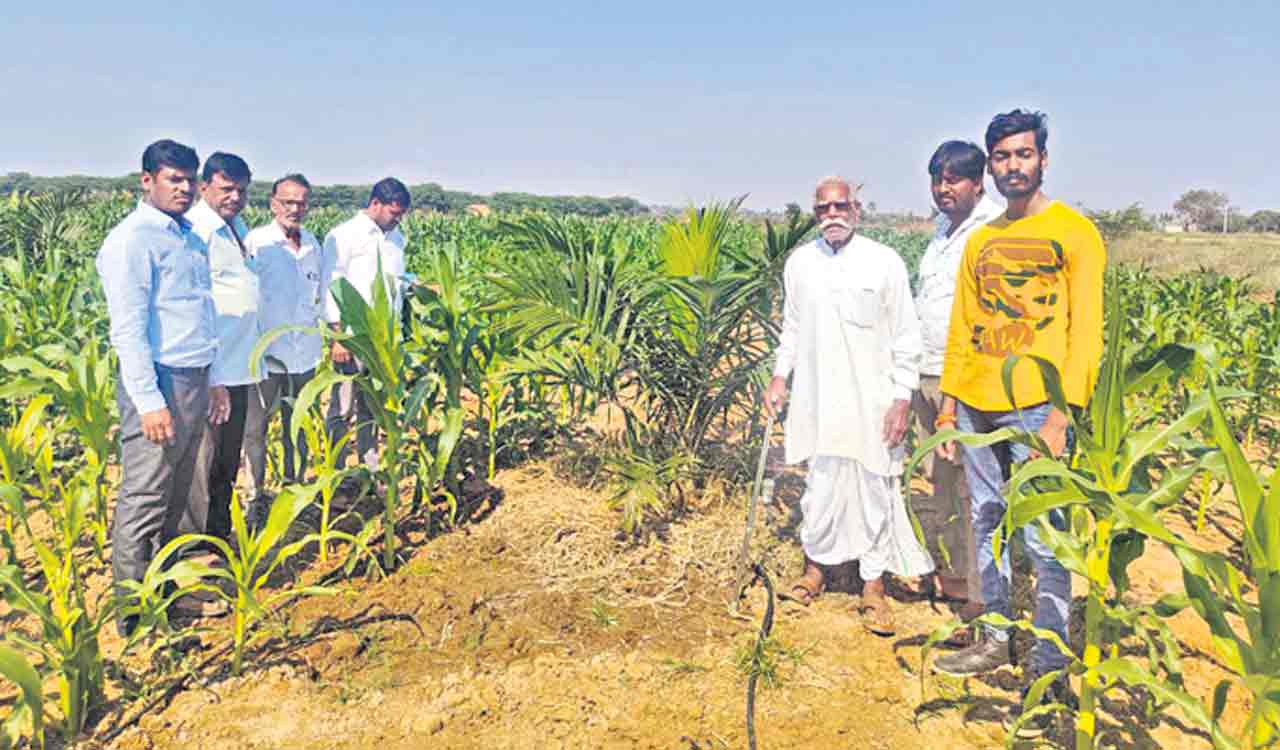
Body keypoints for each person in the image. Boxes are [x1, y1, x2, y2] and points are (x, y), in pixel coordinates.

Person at [931, 110, 1105, 722]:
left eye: (1023, 155)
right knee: (985, 518)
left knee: (1044, 533)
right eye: (1002, 157)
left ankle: (1049, 667)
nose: (1012, 166)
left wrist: (1063, 414)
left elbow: (1086, 333)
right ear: (992, 164)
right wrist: (950, 402)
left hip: (1038, 407)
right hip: (978, 401)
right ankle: (995, 638)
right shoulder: (980, 240)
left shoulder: (1075, 233)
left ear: (1043, 160)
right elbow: (962, 328)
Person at [766, 176, 933, 636]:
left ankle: (873, 588)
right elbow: (793, 330)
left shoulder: (884, 262)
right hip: (819, 401)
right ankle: (815, 572)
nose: (833, 215)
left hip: (873, 403)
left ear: (857, 210)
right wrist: (781, 376)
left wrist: (902, 398)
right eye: (823, 209)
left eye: (841, 206)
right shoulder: (801, 263)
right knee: (819, 488)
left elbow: (906, 337)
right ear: (815, 214)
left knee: (875, 490)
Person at [97, 140, 231, 630]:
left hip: (195, 378)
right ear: (146, 180)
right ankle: (133, 615)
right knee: (146, 496)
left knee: (180, 496)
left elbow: (201, 314)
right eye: (173, 179)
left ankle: (171, 594)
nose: (184, 188)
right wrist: (150, 402)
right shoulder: (131, 241)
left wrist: (214, 380)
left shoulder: (190, 236)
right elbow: (128, 331)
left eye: (189, 179)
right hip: (159, 383)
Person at [908, 141, 1004, 616]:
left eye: (953, 179)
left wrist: (956, 391)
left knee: (973, 485)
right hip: (926, 370)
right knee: (939, 479)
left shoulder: (993, 231)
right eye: (936, 179)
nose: (942, 188)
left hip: (964, 378)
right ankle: (950, 573)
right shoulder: (943, 229)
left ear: (977, 182)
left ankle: (979, 593)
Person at [188, 152, 267, 541]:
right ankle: (197, 549)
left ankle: (218, 538)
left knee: (225, 462)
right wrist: (212, 376)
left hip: (239, 369)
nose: (235, 197)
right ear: (204, 188)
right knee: (202, 465)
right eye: (226, 189)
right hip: (212, 371)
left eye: (241, 190)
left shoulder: (235, 226)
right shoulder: (197, 232)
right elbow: (197, 307)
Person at [244, 174, 325, 521]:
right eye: (288, 202)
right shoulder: (256, 242)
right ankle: (254, 497)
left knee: (299, 426)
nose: (295, 209)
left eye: (301, 203)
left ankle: (294, 490)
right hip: (266, 354)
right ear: (273, 203)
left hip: (304, 352)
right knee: (255, 428)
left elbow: (319, 293)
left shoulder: (312, 244)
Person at [321, 177, 411, 473]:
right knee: (343, 408)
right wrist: (338, 337)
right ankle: (336, 475)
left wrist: (417, 286)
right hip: (353, 336)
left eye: (401, 214)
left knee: (373, 407)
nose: (398, 219)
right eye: (393, 213)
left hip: (385, 338)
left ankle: (369, 471)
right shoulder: (344, 235)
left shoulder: (396, 239)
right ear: (375, 204)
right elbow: (331, 284)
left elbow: (395, 282)